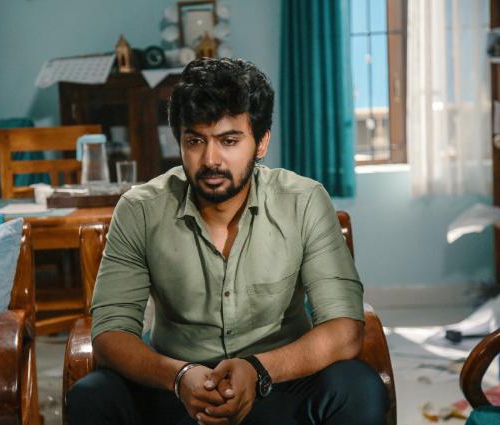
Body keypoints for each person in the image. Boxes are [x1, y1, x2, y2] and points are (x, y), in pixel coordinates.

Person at [66, 57, 389, 425]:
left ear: (261, 142)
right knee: (92, 397)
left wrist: (258, 370)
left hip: (277, 381)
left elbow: (345, 330)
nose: (210, 160)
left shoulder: (303, 201)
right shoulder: (140, 209)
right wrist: (179, 376)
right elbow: (110, 333)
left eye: (229, 141)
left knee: (359, 389)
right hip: (175, 387)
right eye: (195, 141)